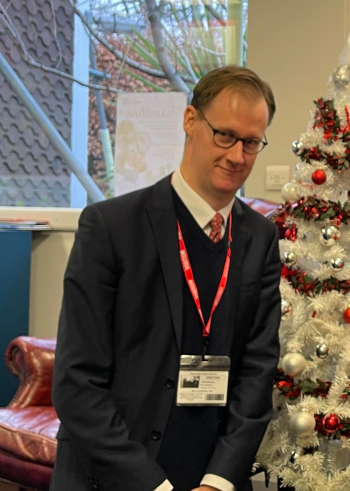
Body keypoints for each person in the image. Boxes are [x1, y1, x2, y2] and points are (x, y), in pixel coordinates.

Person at [51, 66, 282, 491]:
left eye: (251, 142)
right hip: (114, 475)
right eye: (225, 135)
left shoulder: (261, 237)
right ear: (190, 120)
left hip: (213, 476)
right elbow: (76, 383)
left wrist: (218, 480)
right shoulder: (110, 228)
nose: (237, 156)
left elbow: (257, 371)